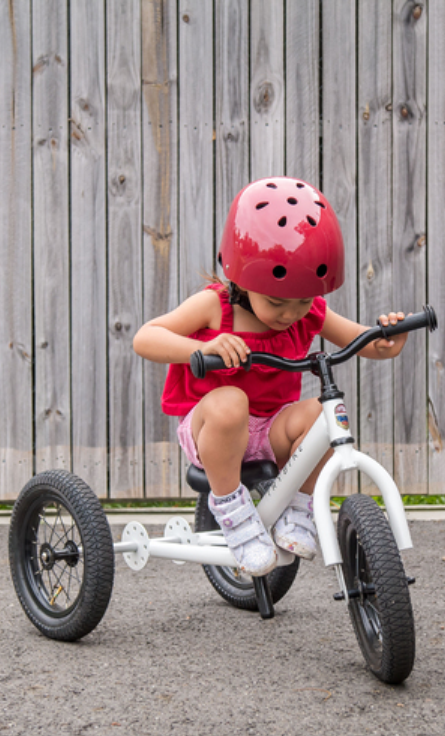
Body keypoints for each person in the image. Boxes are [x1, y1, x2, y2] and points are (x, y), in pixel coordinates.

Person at [133, 177, 409, 577]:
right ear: (242, 279)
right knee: (232, 402)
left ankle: (298, 507)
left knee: (324, 414)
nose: (290, 314)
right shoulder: (215, 307)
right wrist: (201, 348)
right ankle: (232, 511)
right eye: (277, 302)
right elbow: (146, 337)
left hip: (270, 431)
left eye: (302, 301)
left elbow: (364, 342)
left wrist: (389, 338)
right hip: (213, 428)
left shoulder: (308, 310)